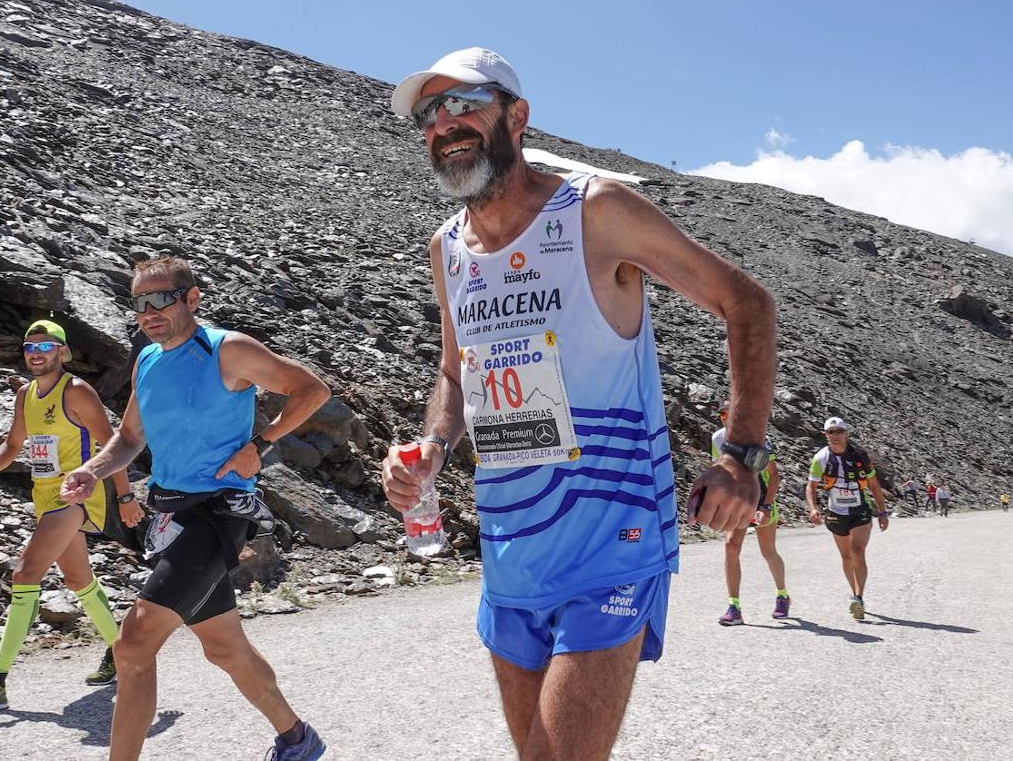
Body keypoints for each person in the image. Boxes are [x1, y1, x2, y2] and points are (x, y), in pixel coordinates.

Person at [380, 47, 776, 760]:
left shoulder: (595, 211)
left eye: (465, 102)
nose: (446, 124)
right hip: (510, 551)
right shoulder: (448, 248)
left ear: (517, 116)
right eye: (430, 114)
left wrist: (740, 451)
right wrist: (432, 449)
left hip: (610, 544)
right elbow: (452, 370)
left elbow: (745, 302)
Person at [59, 257, 331, 761]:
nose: (148, 312)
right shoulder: (148, 359)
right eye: (139, 302)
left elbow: (312, 390)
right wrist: (91, 471)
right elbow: (129, 437)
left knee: (134, 645)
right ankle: (298, 739)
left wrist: (261, 441)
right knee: (225, 648)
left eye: (160, 298)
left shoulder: (228, 349)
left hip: (219, 513)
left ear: (192, 297)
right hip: (170, 517)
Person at [0, 320, 144, 711]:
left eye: (45, 346)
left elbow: (116, 444)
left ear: (61, 352)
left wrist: (124, 496)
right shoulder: (25, 395)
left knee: (25, 572)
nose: (35, 353)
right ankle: (122, 650)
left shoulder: (76, 391)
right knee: (77, 578)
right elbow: (13, 443)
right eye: (29, 347)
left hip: (76, 496)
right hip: (44, 498)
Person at [710, 401, 789, 625]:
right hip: (737, 501)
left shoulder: (759, 439)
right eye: (722, 415)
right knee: (731, 546)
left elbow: (774, 477)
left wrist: (765, 506)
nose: (725, 418)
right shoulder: (717, 438)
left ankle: (782, 595)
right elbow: (719, 470)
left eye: (730, 414)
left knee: (768, 551)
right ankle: (734, 607)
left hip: (761, 498)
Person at [805, 417, 889, 620]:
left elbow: (874, 485)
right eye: (830, 432)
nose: (835, 435)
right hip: (836, 512)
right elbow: (811, 486)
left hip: (860, 510)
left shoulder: (859, 456)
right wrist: (813, 508)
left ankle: (859, 597)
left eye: (838, 431)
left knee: (857, 551)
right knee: (845, 556)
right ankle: (854, 593)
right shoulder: (821, 458)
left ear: (846, 433)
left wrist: (882, 511)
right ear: (825, 435)